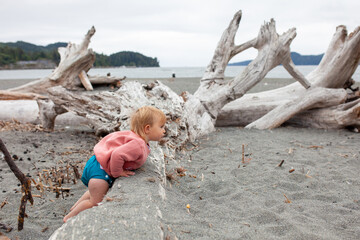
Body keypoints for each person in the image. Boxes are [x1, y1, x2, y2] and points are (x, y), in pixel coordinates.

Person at [63, 106, 166, 222]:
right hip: (101, 172)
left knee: (94, 192)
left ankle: (74, 207)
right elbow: (117, 154)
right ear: (147, 128)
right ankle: (68, 219)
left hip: (96, 163)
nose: (164, 130)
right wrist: (118, 172)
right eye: (161, 127)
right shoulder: (138, 144)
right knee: (94, 202)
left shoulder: (133, 136)